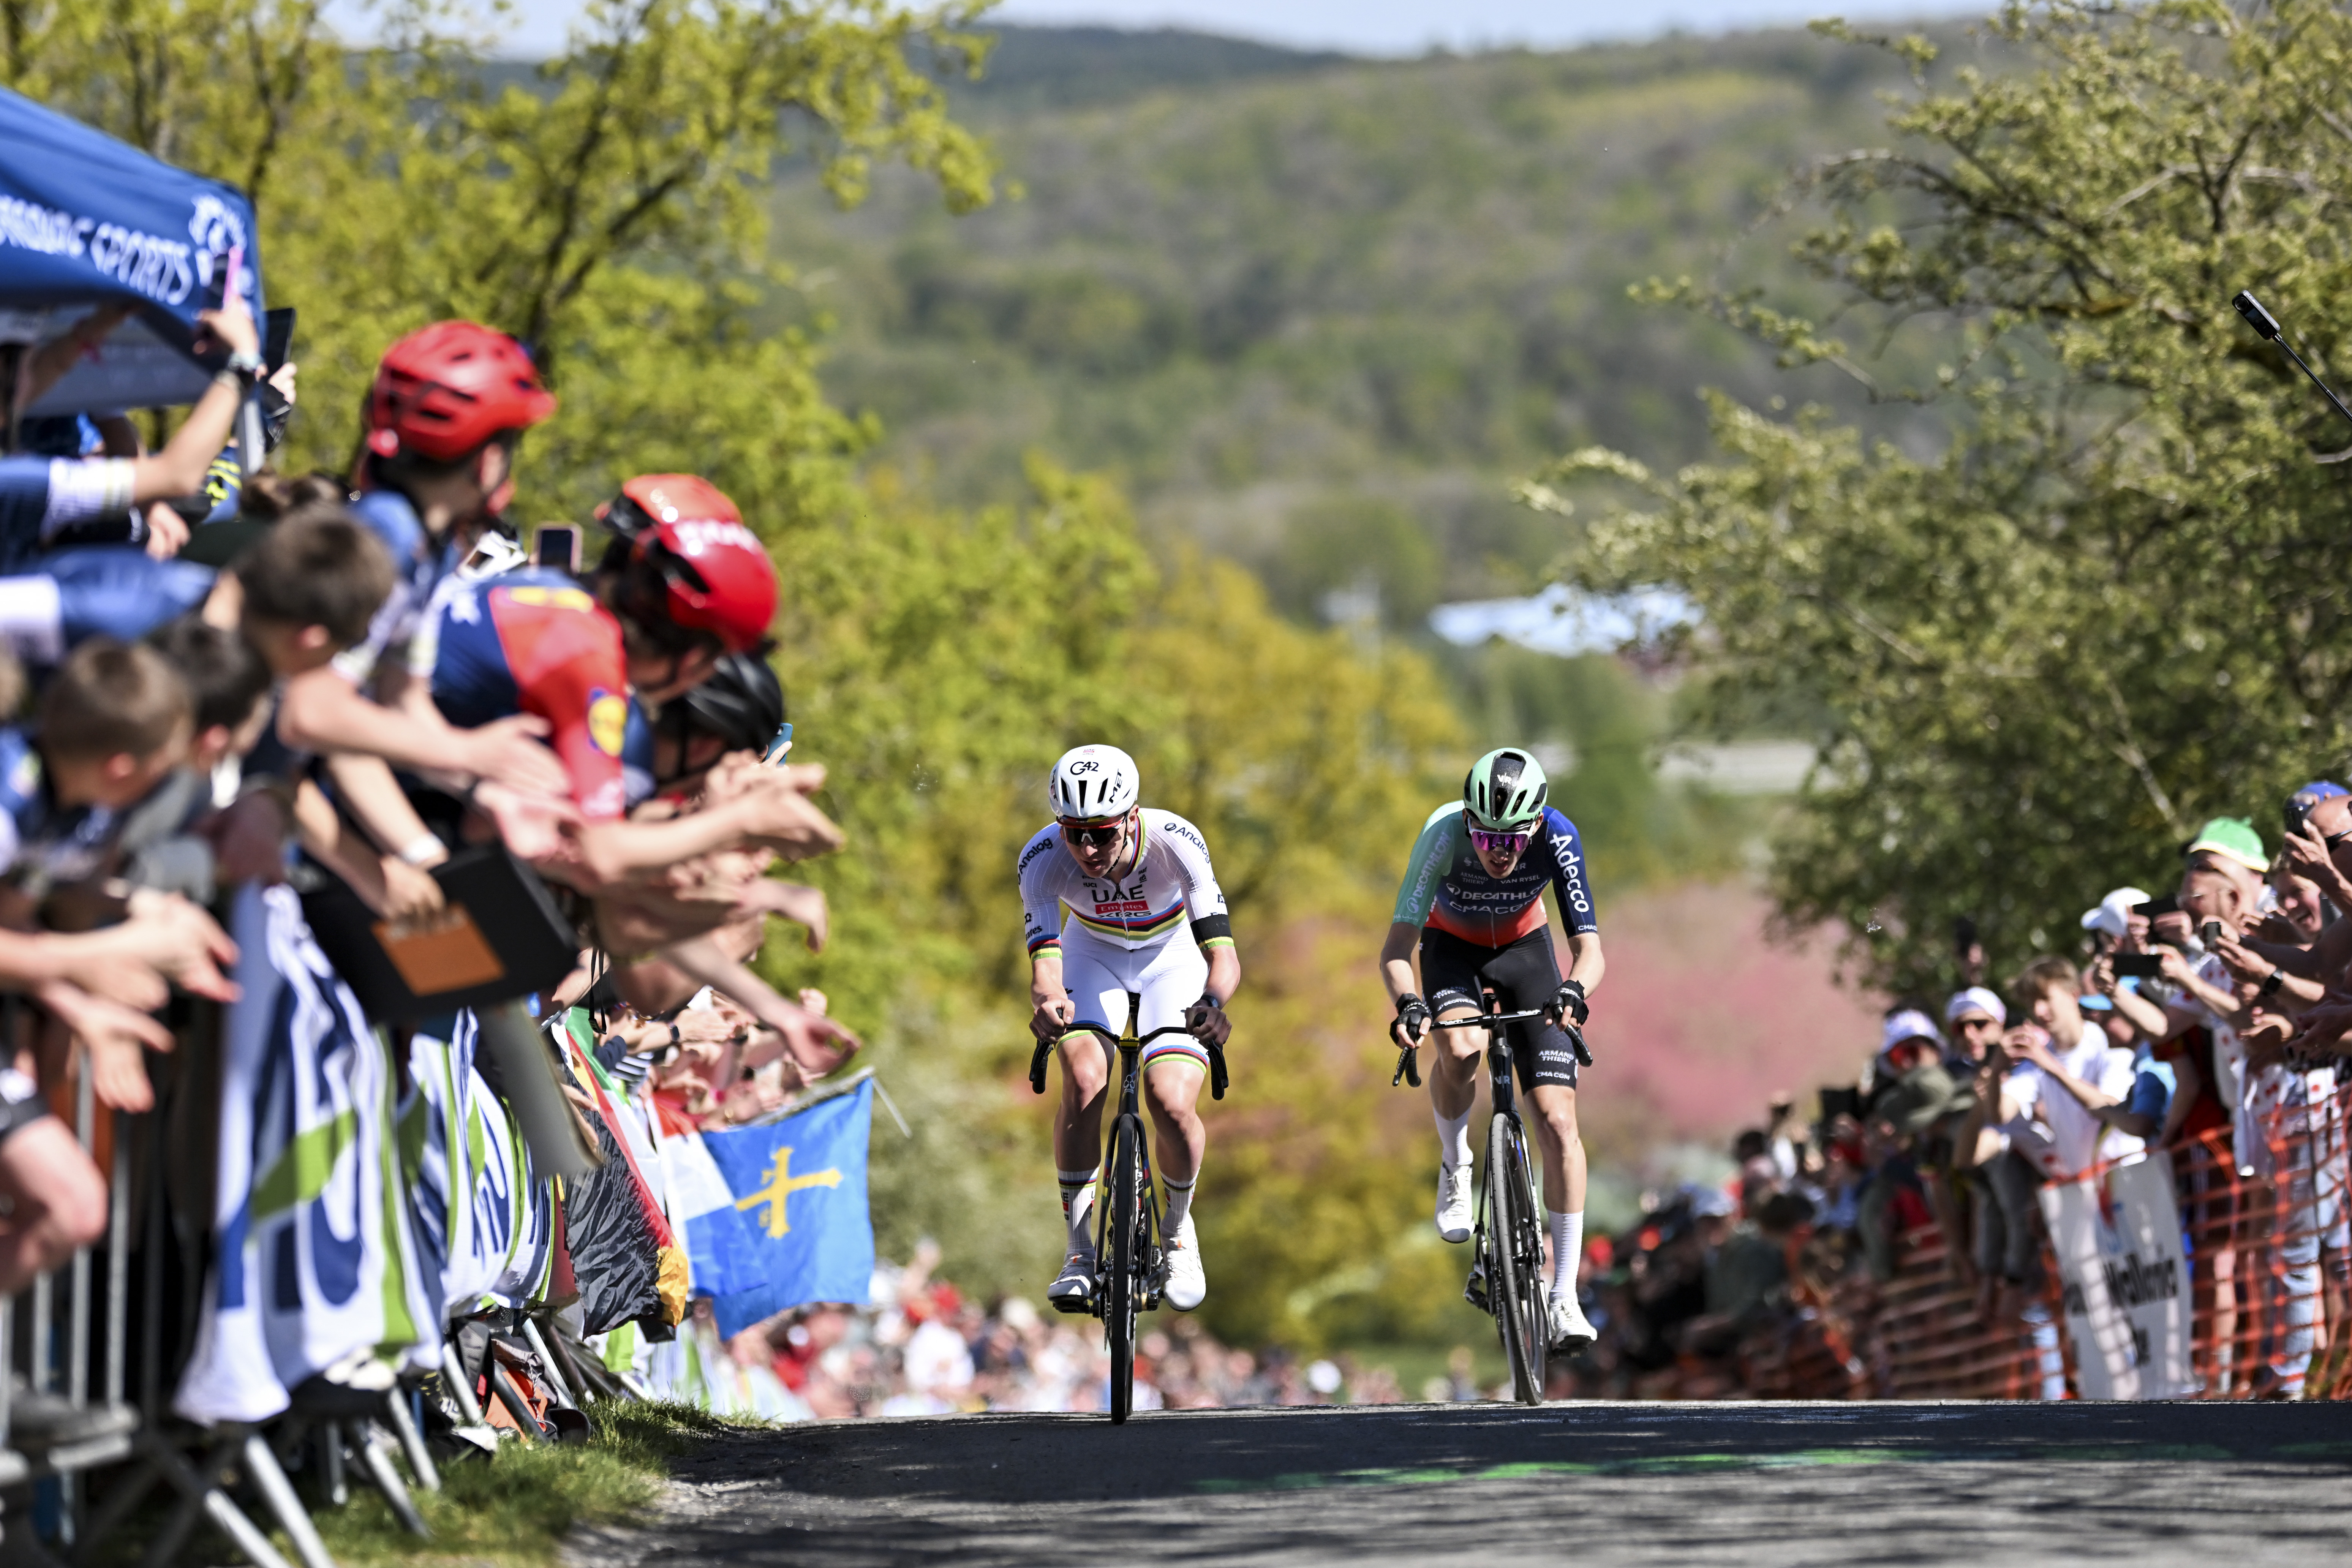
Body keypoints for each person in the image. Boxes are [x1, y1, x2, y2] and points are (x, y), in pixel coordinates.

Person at [1378, 746, 1603, 1351]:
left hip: (1527, 951)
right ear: (1468, 822)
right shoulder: (1443, 834)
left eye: (1512, 840)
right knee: (1460, 1049)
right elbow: (1396, 951)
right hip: (1451, 949)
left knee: (1557, 1122)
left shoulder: (1559, 836)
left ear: (1536, 825)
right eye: (1485, 837)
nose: (1497, 852)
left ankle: (1564, 1295)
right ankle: (1456, 1163)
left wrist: (1575, 990)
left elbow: (1589, 949)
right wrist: (1409, 1003)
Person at [1021, 744, 1237, 1315]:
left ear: (1132, 817)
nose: (1088, 850)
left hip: (1173, 957)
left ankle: (1179, 1232)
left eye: (1102, 833)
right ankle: (1079, 1250)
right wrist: (1049, 1001)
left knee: (1170, 1100)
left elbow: (1222, 954)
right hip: (1092, 952)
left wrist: (1214, 1003)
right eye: (1075, 834)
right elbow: (1046, 965)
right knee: (1084, 1078)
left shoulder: (1175, 841)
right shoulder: (1042, 858)